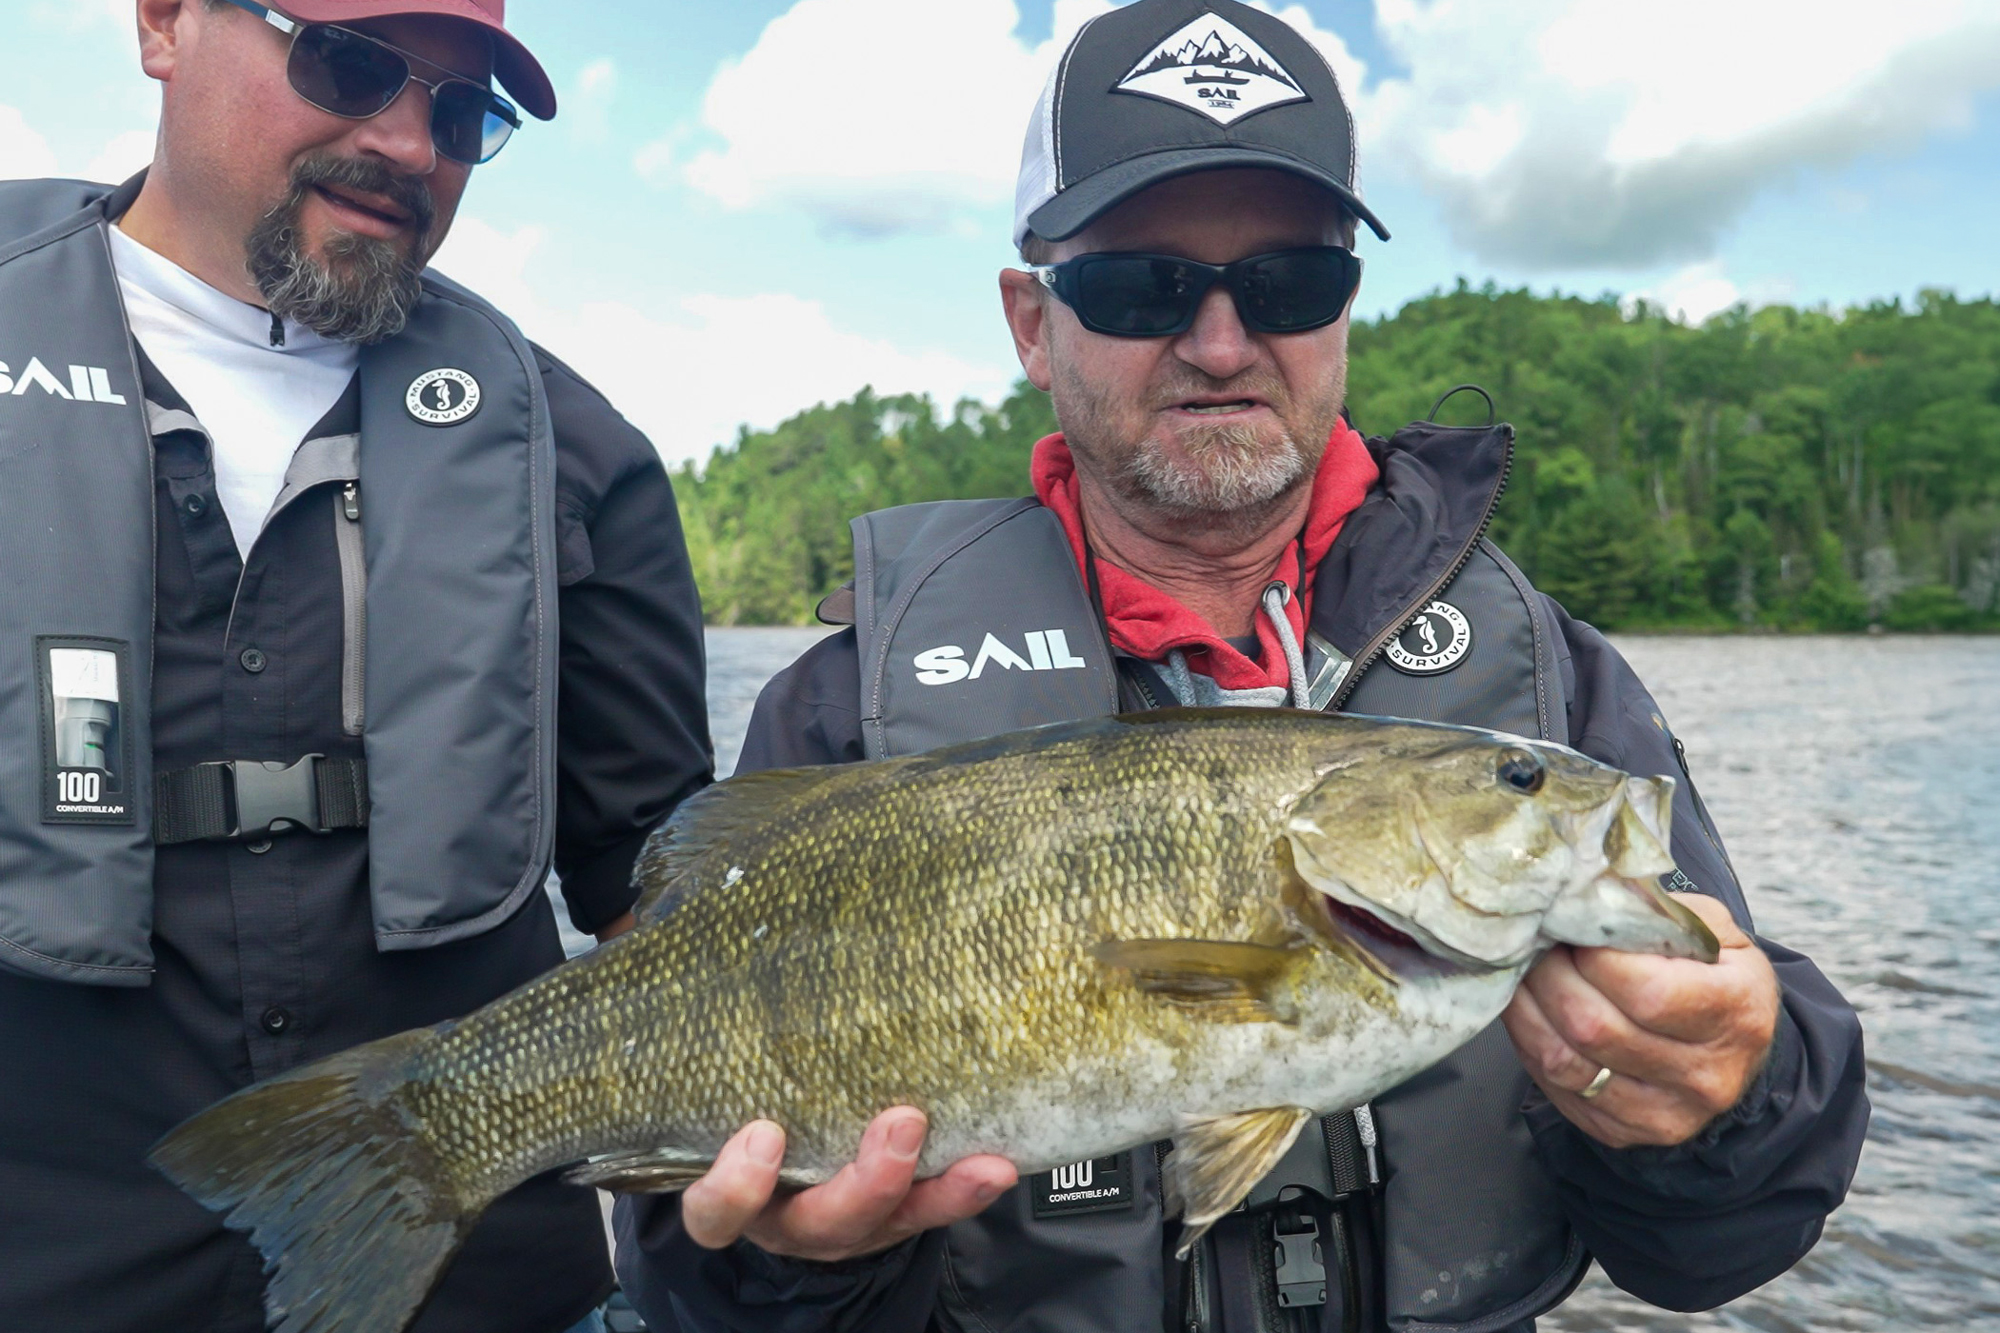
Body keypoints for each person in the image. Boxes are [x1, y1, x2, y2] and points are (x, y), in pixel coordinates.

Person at [614, 2, 1868, 1330]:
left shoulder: (1551, 689)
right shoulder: (842, 707)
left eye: (1287, 283)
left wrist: (1725, 1100)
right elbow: (691, 1282)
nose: (1221, 342)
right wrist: (790, 1264)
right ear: (1031, 323)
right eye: (1144, 285)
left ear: (1343, 312)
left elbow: (1720, 1250)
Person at [0, 2, 711, 1330]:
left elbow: (656, 914)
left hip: (472, 1274)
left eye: (459, 112)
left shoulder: (579, 455)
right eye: (351, 63)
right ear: (162, 24)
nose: (404, 141)